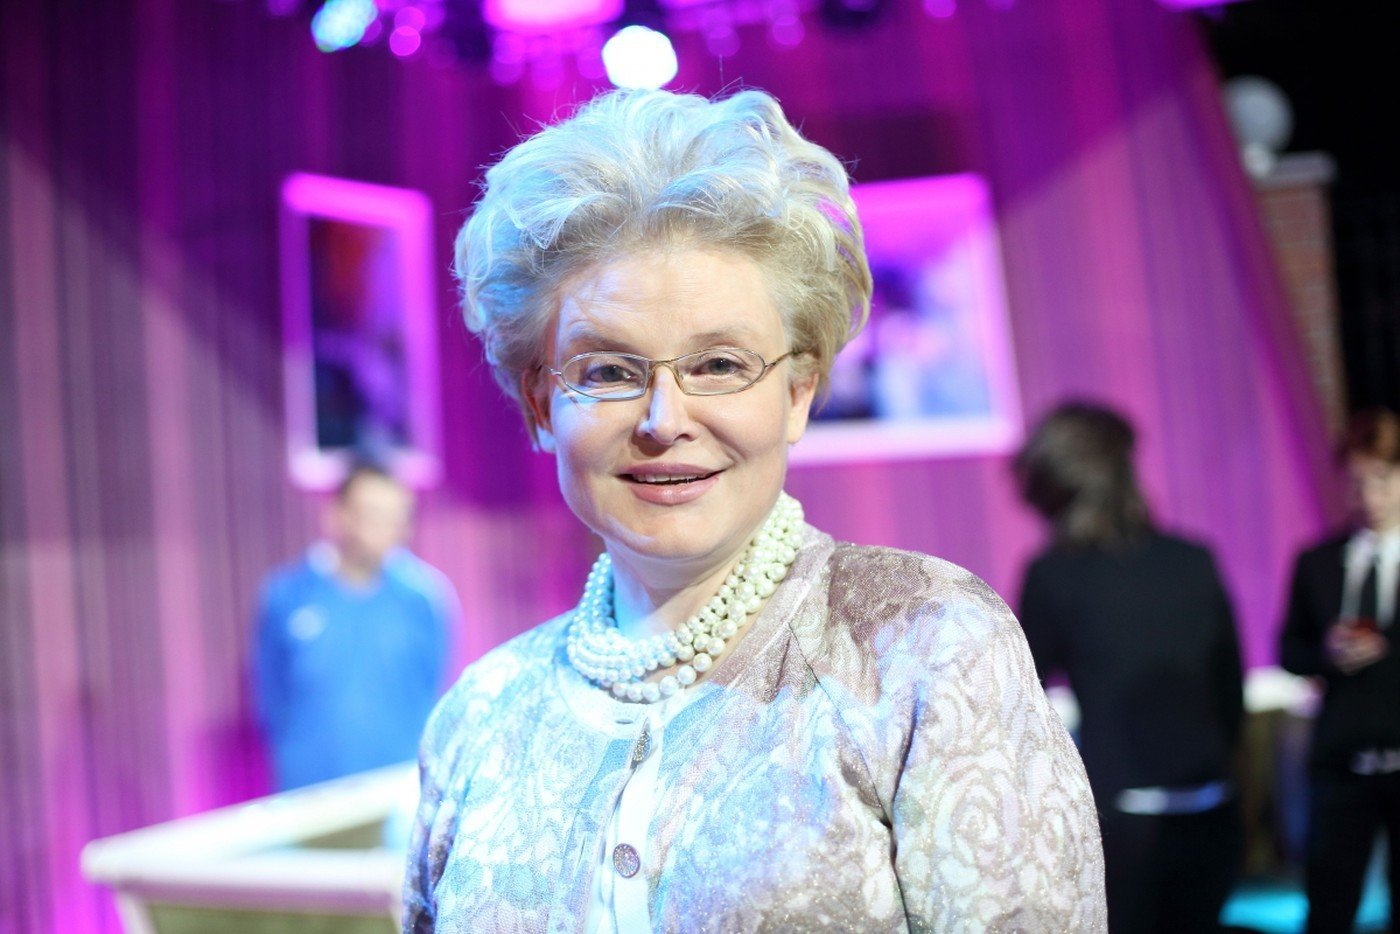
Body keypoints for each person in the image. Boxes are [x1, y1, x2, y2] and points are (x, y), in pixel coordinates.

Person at [402, 89, 1104, 932]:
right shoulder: (479, 717)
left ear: (798, 391)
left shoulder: (926, 646)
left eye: (720, 365)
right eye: (609, 372)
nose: (663, 420)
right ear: (540, 404)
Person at [1014, 402, 1244, 933]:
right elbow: (1228, 691)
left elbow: (1021, 700)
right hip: (1209, 805)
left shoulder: (1054, 575)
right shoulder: (1194, 560)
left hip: (1120, 821)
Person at [254, 463, 457, 790]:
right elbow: (270, 697)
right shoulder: (286, 595)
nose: (387, 529)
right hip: (308, 793)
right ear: (337, 515)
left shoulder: (423, 599)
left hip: (398, 791)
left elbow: (434, 691)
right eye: (374, 514)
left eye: (397, 518)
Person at [1280, 408, 1400, 934]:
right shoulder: (1319, 561)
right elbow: (1289, 650)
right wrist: (1328, 652)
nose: (1370, 496)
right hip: (1340, 760)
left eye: (1383, 479)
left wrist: (1388, 647)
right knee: (1329, 903)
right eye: (1356, 483)